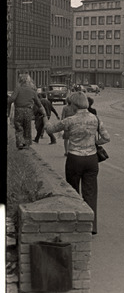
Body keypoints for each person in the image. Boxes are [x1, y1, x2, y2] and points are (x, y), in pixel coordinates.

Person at [46, 91, 109, 235]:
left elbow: (51, 129)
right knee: (91, 193)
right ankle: (91, 226)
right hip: (92, 159)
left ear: (74, 104)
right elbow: (106, 137)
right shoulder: (96, 119)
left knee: (73, 192)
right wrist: (94, 142)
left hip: (75, 158)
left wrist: (46, 121)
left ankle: (75, 223)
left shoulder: (70, 120)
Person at [7, 74, 47, 149]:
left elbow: (11, 100)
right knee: (27, 127)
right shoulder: (32, 91)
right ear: (29, 81)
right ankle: (26, 143)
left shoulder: (17, 89)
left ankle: (20, 143)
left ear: (20, 81)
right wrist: (44, 112)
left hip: (18, 110)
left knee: (19, 127)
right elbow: (38, 103)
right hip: (28, 111)